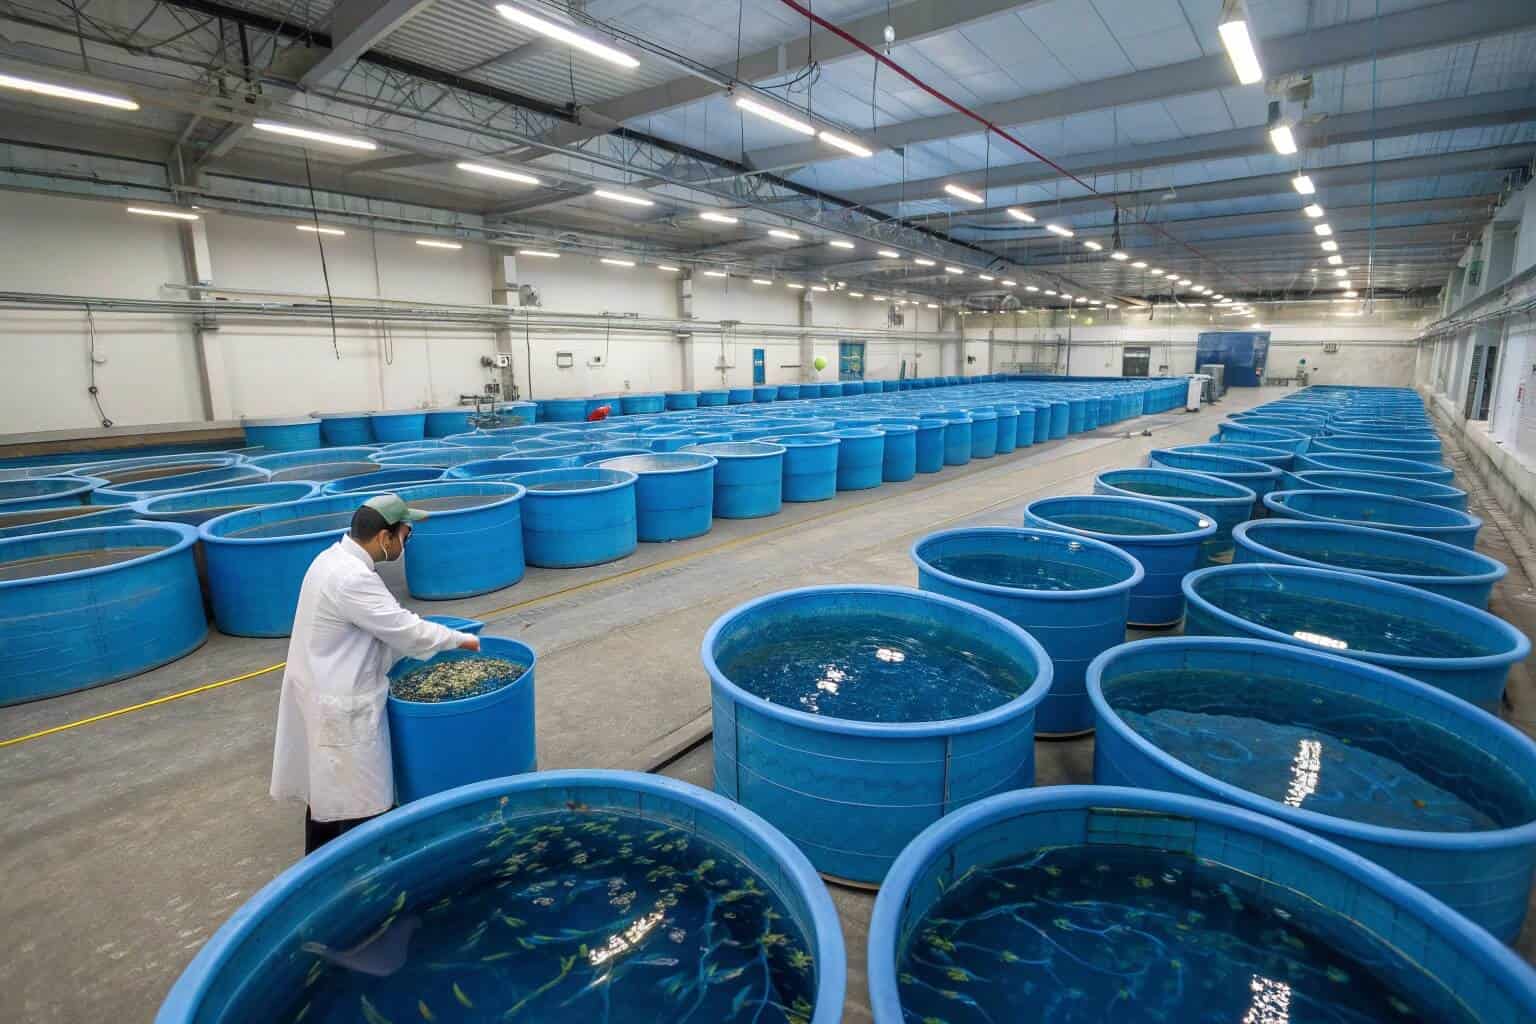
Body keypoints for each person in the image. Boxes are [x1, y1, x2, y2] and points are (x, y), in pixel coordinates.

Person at [270, 493, 480, 854]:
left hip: (322, 687)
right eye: (405, 535)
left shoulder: (330, 559)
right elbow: (407, 630)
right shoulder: (352, 579)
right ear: (385, 537)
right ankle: (362, 873)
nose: (406, 544)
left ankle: (316, 866)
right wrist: (462, 640)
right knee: (361, 803)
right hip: (342, 704)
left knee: (328, 796)